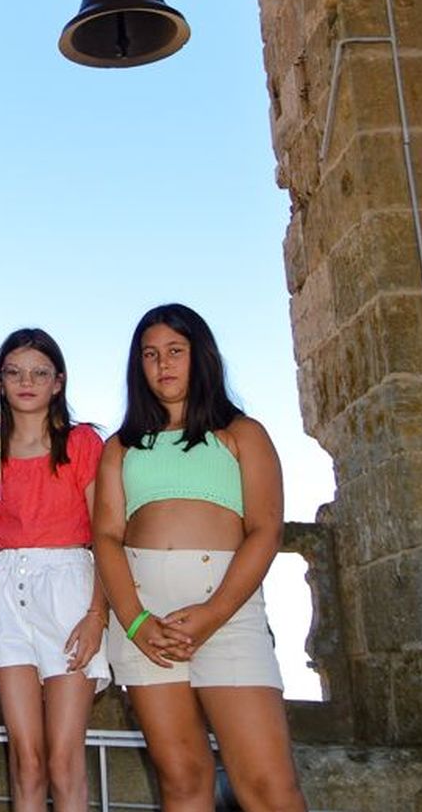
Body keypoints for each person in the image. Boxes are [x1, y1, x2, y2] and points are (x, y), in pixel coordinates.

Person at [93, 304, 306, 812]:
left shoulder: (242, 433)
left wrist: (213, 614)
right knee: (183, 782)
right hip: (145, 627)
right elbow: (105, 536)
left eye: (175, 351)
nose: (162, 364)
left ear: (200, 356)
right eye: (150, 355)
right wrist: (135, 620)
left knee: (268, 787)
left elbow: (265, 529)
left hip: (226, 616)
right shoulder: (120, 447)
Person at [0, 328, 107, 812]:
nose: (27, 382)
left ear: (58, 382)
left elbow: (106, 535)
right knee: (27, 760)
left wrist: (97, 615)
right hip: (6, 591)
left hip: (69, 588)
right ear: (0, 381)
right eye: (15, 372)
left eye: (39, 373)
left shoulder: (82, 444)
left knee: (64, 761)